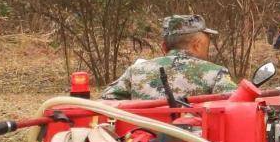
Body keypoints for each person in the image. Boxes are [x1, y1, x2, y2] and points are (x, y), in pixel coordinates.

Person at [102, 15, 237, 101]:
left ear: (164, 47)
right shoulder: (215, 73)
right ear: (197, 45)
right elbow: (236, 106)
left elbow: (106, 100)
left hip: (142, 141)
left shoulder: (135, 71)